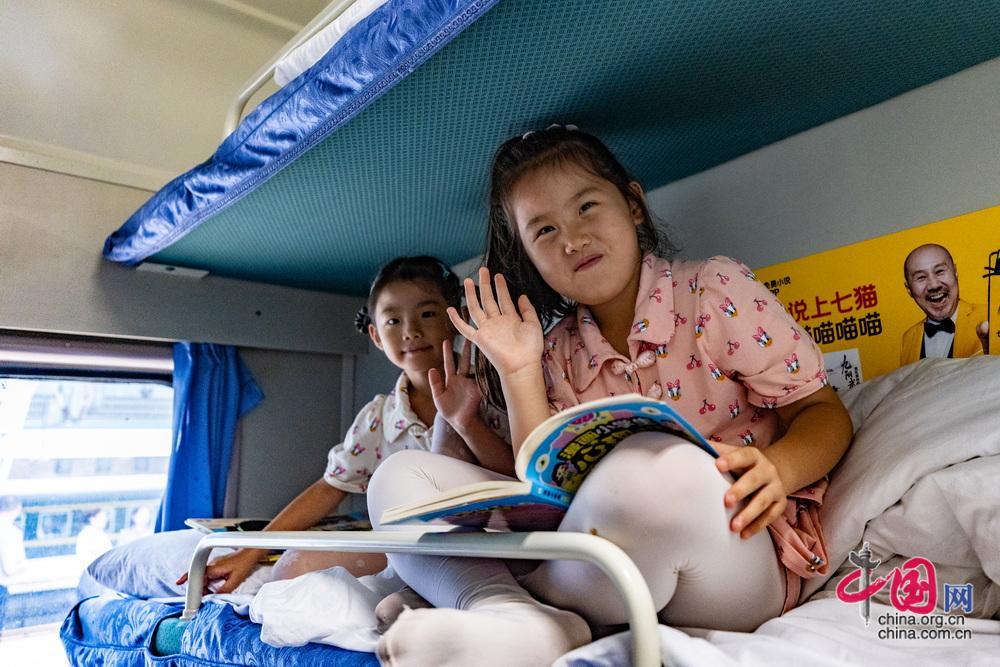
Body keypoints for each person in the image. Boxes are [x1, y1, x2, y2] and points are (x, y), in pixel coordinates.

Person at [366, 126, 853, 666]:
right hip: (597, 556)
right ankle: (511, 613)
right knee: (397, 479)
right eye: (545, 230)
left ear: (634, 205)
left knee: (654, 466)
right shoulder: (554, 349)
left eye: (587, 207)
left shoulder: (712, 291)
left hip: (736, 551)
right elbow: (542, 489)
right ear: (529, 257)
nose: (572, 240)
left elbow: (822, 411)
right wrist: (519, 369)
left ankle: (518, 604)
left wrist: (779, 469)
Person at [178, 255, 512, 594]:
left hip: (480, 545)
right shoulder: (379, 418)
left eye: (427, 314)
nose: (411, 331)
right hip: (408, 549)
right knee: (293, 568)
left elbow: (516, 478)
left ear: (457, 319)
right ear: (376, 335)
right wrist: (249, 553)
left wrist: (467, 422)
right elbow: (329, 488)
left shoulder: (493, 393)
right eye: (393, 320)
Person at [900, 243, 989, 365]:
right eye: (921, 277)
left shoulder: (990, 317)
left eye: (939, 271)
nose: (934, 285)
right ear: (909, 289)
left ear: (955, 272)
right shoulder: (908, 338)